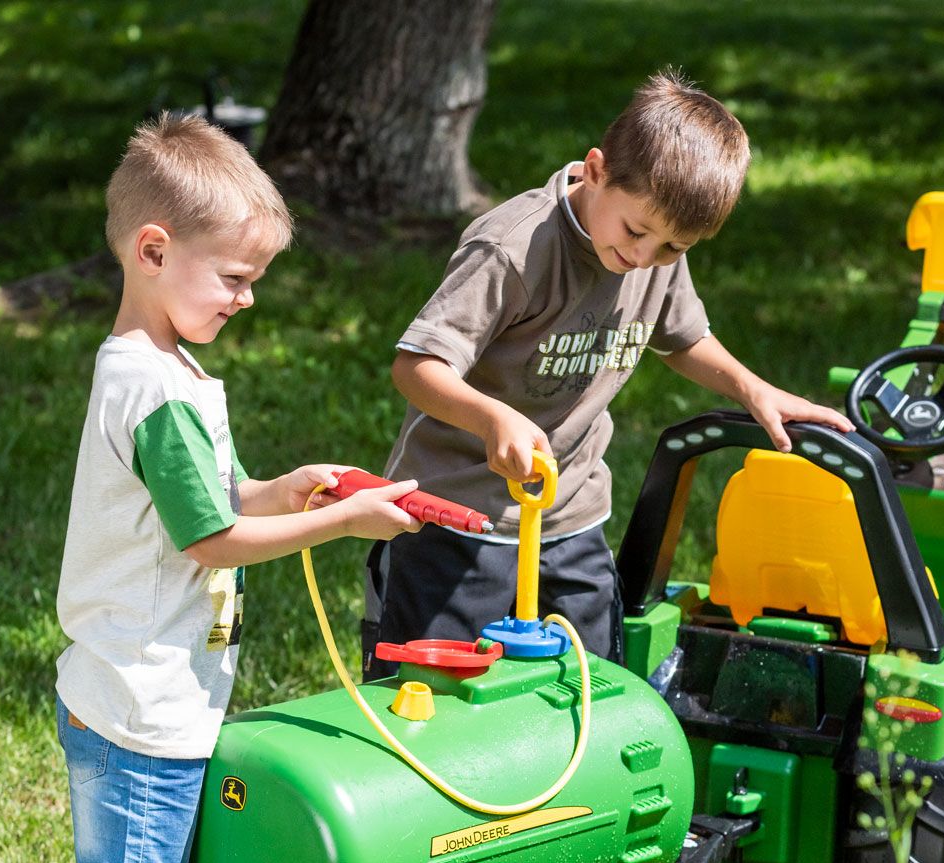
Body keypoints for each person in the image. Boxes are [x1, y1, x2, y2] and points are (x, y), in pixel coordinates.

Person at [54, 113, 420, 863]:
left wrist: (287, 486)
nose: (248, 297)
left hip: (159, 690)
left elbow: (213, 501)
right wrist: (341, 522)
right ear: (154, 249)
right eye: (235, 277)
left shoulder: (162, 365)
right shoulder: (154, 388)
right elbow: (213, 541)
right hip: (139, 703)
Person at [364, 68, 852, 676]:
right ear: (595, 170)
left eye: (674, 249)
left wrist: (754, 389)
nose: (644, 259)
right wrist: (493, 419)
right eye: (637, 232)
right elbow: (418, 366)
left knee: (587, 689)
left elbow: (681, 338)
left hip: (571, 516)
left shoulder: (652, 248)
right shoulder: (513, 249)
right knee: (436, 700)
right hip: (457, 520)